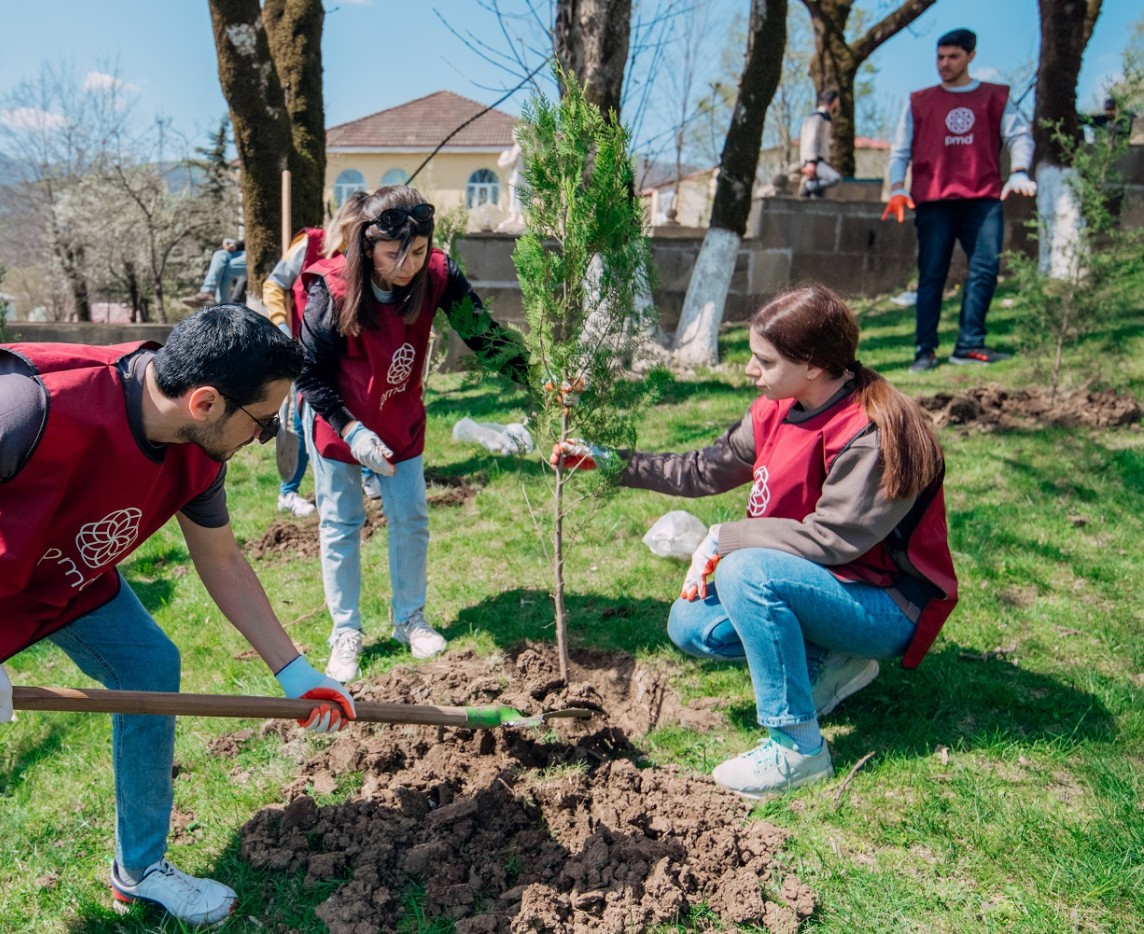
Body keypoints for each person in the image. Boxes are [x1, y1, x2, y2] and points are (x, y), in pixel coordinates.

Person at [0, 305, 357, 932]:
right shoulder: (28, 407)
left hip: (58, 566)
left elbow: (221, 560)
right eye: (264, 424)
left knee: (149, 667)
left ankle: (139, 871)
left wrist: (294, 670)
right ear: (207, 402)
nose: (263, 438)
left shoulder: (198, 449)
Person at [555, 285, 958, 799]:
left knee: (746, 572)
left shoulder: (871, 433)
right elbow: (702, 469)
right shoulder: (778, 407)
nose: (749, 369)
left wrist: (727, 538)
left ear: (812, 364)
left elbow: (833, 540)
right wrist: (608, 460)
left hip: (885, 606)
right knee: (691, 623)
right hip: (823, 585)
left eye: (764, 360)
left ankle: (798, 749)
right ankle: (831, 664)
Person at [297, 185, 531, 682]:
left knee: (411, 519)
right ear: (366, 246)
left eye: (418, 252)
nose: (408, 265)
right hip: (340, 423)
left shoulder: (438, 274)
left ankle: (409, 619)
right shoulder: (332, 288)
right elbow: (308, 373)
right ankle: (346, 631)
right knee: (341, 524)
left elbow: (481, 334)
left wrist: (537, 374)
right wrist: (352, 430)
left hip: (399, 416)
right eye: (393, 255)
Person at [882, 28, 1036, 373]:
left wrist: (1020, 171)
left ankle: (969, 345)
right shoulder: (920, 101)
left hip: (982, 200)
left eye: (953, 56)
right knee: (931, 275)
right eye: (940, 57)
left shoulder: (994, 97)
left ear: (971, 56)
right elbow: (900, 150)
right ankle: (925, 351)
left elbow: (1019, 135)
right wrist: (896, 187)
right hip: (934, 201)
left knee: (985, 269)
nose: (944, 64)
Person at [262, 191, 371, 517]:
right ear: (348, 223)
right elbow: (274, 285)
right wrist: (282, 332)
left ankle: (366, 477)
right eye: (361, 229)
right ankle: (288, 492)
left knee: (351, 412)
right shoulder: (311, 245)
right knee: (301, 419)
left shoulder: (365, 257)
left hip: (348, 353)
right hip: (304, 352)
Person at [799, 89, 842, 199]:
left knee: (817, 198)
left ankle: (811, 187)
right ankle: (808, 185)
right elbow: (811, 139)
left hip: (821, 160)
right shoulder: (817, 117)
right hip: (816, 161)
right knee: (834, 178)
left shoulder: (824, 117)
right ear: (835, 101)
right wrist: (810, 162)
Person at [197, 238, 248, 305]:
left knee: (226, 268)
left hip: (262, 256)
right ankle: (207, 292)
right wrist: (235, 245)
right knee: (219, 254)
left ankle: (222, 306)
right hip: (247, 251)